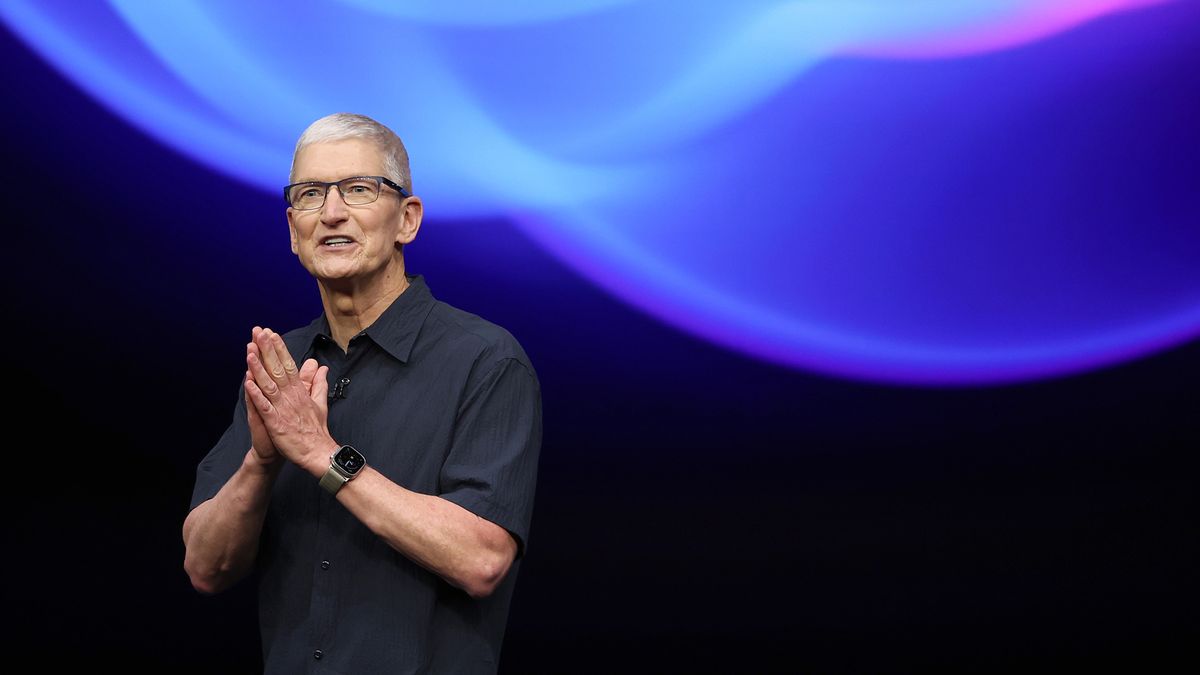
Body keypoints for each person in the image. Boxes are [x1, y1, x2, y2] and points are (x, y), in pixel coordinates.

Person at [182, 112, 542, 673]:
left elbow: (481, 559)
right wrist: (262, 459)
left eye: (358, 189)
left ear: (408, 219)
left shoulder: (485, 359)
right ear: (292, 230)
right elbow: (206, 567)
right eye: (310, 194)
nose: (331, 212)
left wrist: (323, 455)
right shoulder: (282, 369)